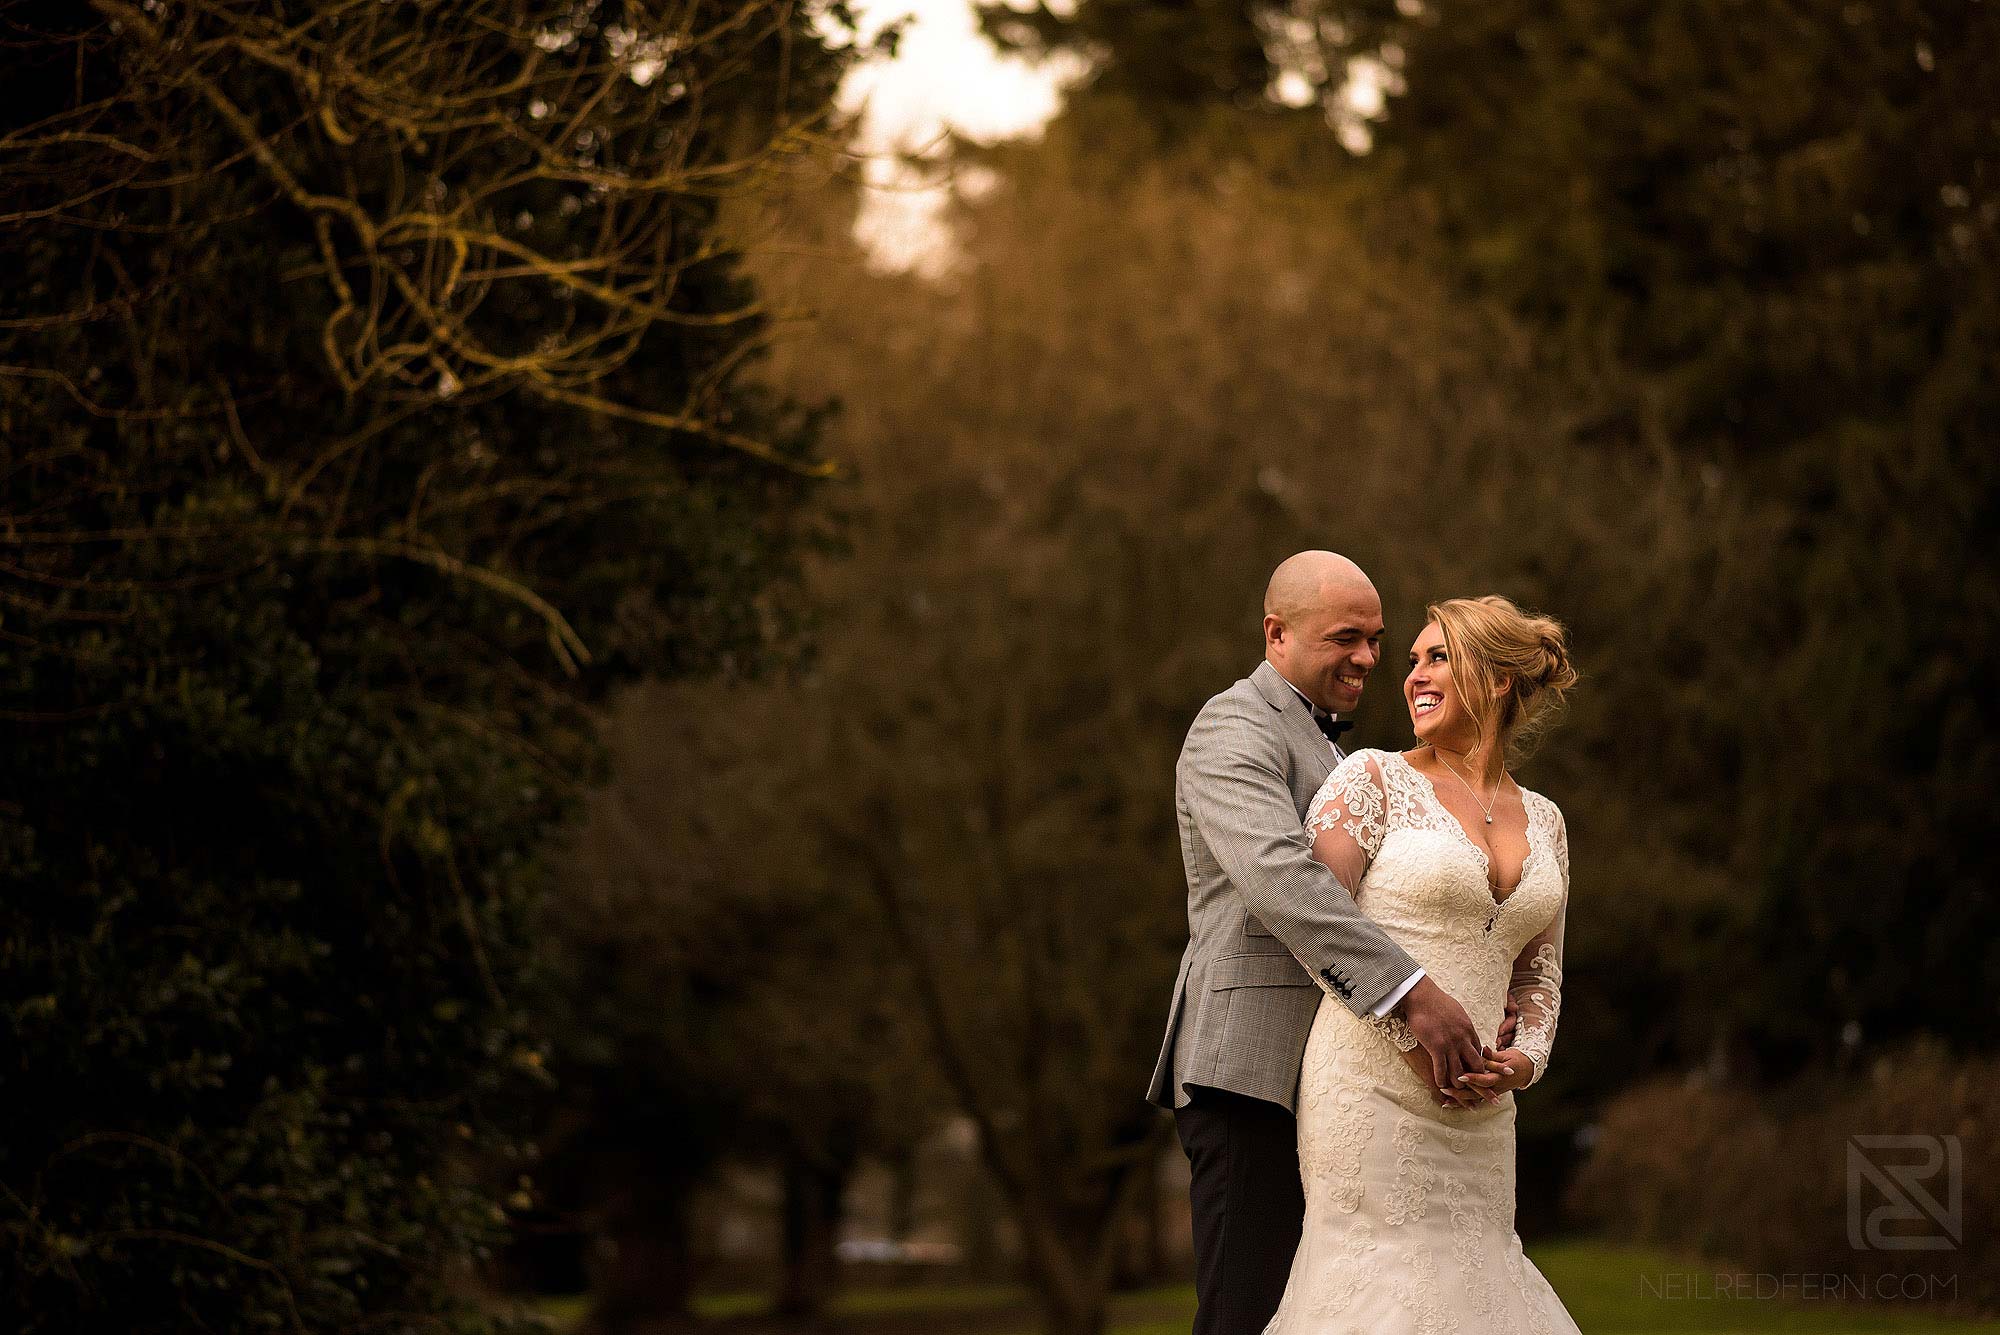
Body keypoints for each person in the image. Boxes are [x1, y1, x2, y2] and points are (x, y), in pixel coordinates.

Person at [1146, 553, 1514, 1335]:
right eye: (1347, 637)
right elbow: (1281, 876)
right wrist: (1415, 994)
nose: (1369, 659)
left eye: (1377, 639)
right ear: (1277, 633)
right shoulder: (1232, 724)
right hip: (1248, 1072)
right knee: (1243, 1315)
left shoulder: (1342, 755)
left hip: (1329, 1083)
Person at [1261, 592, 1581, 1333]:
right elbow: (1316, 925)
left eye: (1438, 655)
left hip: (1482, 1116)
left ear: (1498, 680)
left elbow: (1539, 974)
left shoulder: (1548, 820)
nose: (1413, 675)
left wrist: (1521, 1061)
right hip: (1369, 1089)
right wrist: (1415, 1034)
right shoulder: (1370, 780)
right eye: (1412, 661)